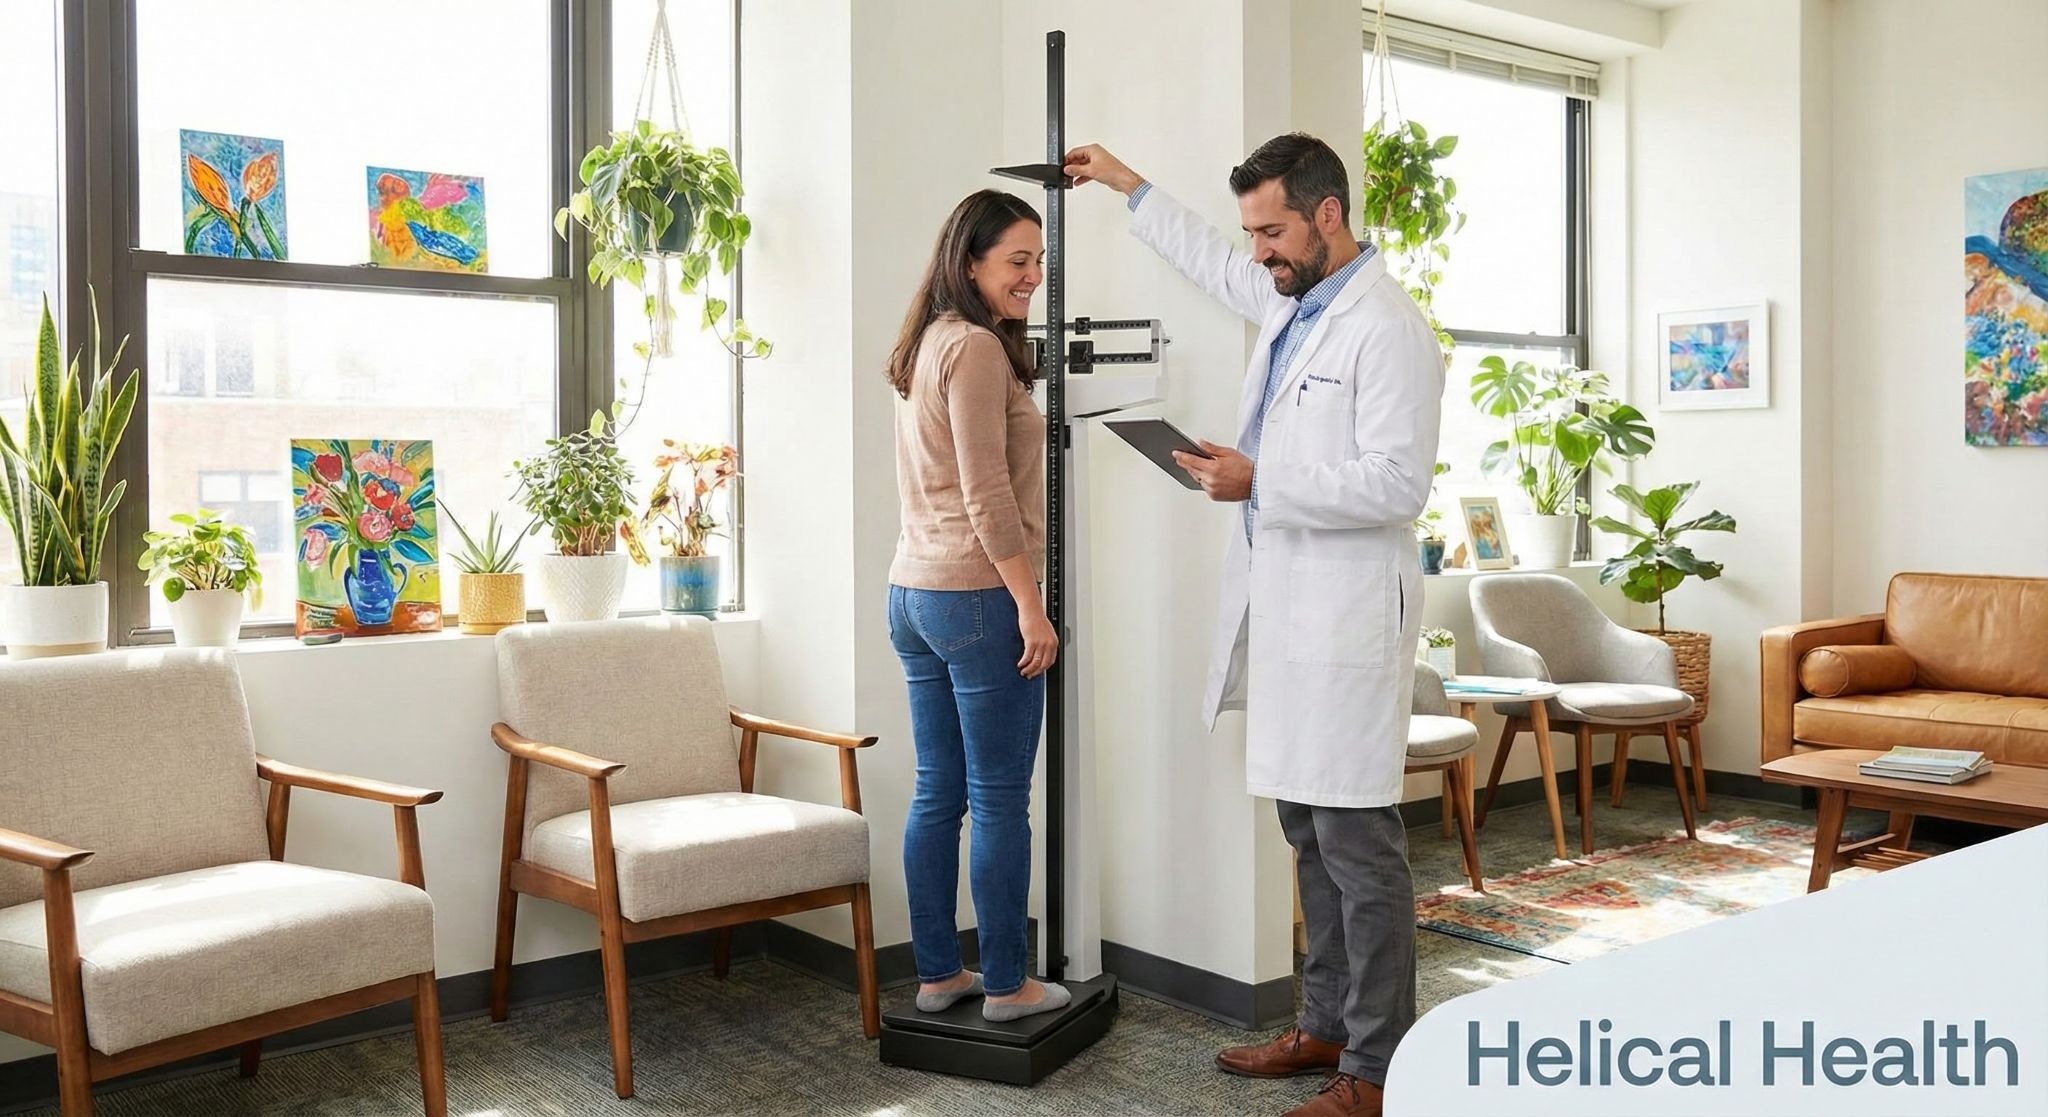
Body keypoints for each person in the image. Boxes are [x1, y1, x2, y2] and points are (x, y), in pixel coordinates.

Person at [1065, 135, 1444, 1117]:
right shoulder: (1294, 299)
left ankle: (1378, 1066)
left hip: (1348, 618)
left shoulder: (1385, 327)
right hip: (1288, 613)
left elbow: (1399, 482)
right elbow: (1209, 259)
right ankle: (1323, 1024)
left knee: (1357, 847)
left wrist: (1260, 478)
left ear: (1327, 215)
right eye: (1252, 233)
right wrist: (1124, 183)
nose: (1258, 252)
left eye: (1272, 230)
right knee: (1305, 829)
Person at [885, 189, 1071, 1023]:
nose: (1034, 276)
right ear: (970, 263)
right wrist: (1030, 606)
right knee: (998, 799)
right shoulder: (979, 351)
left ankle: (936, 973)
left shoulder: (926, 343)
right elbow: (987, 493)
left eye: (1039, 260)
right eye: (1017, 261)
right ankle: (1006, 984)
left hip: (913, 592)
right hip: (976, 595)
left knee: (938, 793)